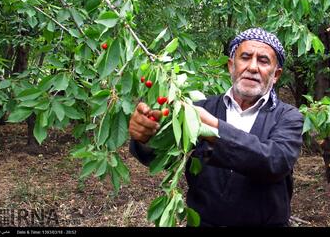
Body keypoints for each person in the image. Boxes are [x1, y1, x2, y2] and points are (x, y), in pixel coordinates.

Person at [128, 28, 304, 227]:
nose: (253, 67)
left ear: (276, 75)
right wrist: (146, 138)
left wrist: (213, 128)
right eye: (245, 57)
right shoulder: (201, 108)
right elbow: (161, 157)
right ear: (231, 65)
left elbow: (275, 161)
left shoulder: (287, 116)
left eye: (263, 61)